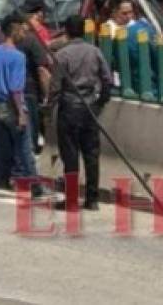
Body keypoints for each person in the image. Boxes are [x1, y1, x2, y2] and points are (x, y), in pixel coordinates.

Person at [0, 14, 43, 199]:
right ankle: (35, 186)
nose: (24, 32)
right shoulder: (18, 57)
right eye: (22, 29)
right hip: (13, 105)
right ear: (14, 30)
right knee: (24, 147)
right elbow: (16, 89)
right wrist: (21, 112)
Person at [49, 15, 112, 211]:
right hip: (89, 107)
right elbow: (107, 80)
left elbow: (55, 86)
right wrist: (101, 101)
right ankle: (92, 199)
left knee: (70, 155)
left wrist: (50, 108)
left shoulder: (62, 55)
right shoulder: (95, 52)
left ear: (66, 31)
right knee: (91, 154)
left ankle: (72, 199)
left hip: (69, 107)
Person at [19, 0, 52, 154]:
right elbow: (42, 70)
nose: (39, 20)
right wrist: (47, 94)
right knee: (31, 129)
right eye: (36, 17)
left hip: (8, 92)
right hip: (29, 91)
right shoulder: (32, 39)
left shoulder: (6, 39)